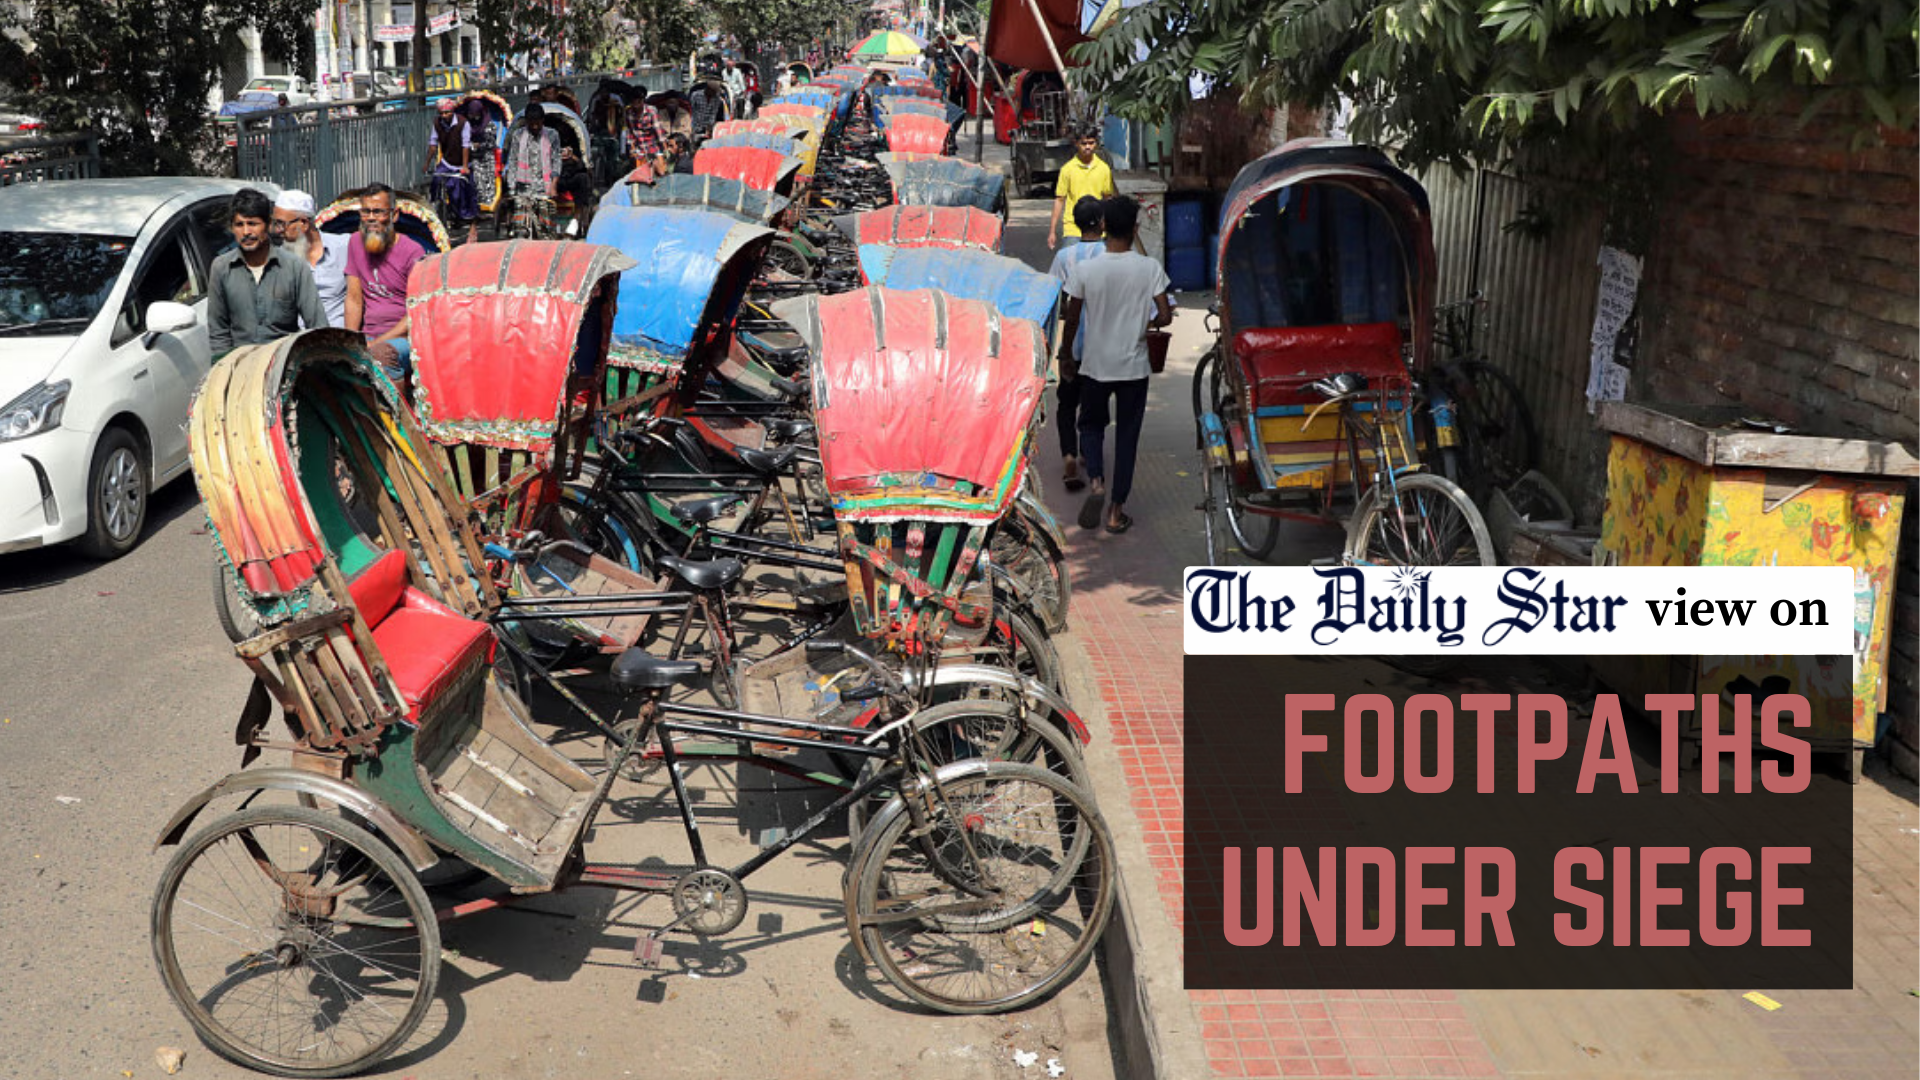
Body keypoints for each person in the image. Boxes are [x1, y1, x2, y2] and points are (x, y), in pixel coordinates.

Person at [1056, 196, 1172, 535]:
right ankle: (1115, 513)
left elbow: (1073, 317)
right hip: (1134, 367)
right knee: (1127, 437)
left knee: (1089, 426)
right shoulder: (1148, 268)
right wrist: (1145, 325)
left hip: (1094, 365)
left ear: (1103, 225)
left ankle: (1095, 481)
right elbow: (1163, 315)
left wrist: (1065, 356)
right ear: (1135, 228)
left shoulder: (1085, 270)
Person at [207, 188, 327, 357]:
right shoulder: (221, 268)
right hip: (240, 365)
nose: (246, 232)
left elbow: (317, 325)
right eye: (239, 225)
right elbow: (218, 332)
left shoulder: (294, 266)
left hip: (284, 365)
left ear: (268, 225)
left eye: (253, 224)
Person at [1046, 196, 1107, 492]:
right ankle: (1088, 453)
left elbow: (1054, 301)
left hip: (1074, 344)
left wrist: (1059, 348)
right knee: (1095, 407)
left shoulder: (1064, 257)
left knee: (1066, 404)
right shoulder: (1111, 253)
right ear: (1102, 222)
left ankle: (1069, 455)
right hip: (1103, 347)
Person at [344, 183, 428, 390]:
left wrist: (375, 344)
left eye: (378, 211)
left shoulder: (412, 252)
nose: (371, 217)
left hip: (404, 339)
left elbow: (415, 313)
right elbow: (354, 298)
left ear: (394, 215)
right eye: (366, 211)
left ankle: (395, 419)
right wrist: (349, 340)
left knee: (382, 354)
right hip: (368, 335)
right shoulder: (355, 242)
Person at [269, 189, 350, 328]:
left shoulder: (345, 246)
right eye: (276, 223)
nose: (278, 230)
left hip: (340, 336)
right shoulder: (279, 258)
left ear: (304, 223)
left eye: (282, 224)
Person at [1048, 125, 1116, 251]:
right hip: (1073, 230)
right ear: (1076, 143)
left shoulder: (1104, 169)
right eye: (1084, 143)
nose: (1088, 147)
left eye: (1091, 143)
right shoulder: (1067, 170)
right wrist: (1052, 231)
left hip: (1098, 230)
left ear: (1096, 143)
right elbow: (1059, 200)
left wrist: (1110, 228)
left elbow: (1108, 199)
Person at [423, 97, 478, 242]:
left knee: (458, 191)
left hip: (461, 163)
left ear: (452, 111)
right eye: (441, 113)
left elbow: (465, 146)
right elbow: (433, 145)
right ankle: (436, 209)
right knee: (436, 181)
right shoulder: (437, 123)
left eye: (447, 113)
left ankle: (465, 219)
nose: (444, 116)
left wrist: (465, 167)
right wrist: (427, 164)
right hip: (447, 161)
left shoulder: (462, 123)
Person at [623, 91, 665, 176]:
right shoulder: (629, 112)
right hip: (639, 149)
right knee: (642, 176)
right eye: (634, 102)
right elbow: (630, 132)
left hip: (653, 147)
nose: (636, 105)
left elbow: (659, 131)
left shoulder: (651, 111)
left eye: (638, 102)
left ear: (642, 101)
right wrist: (632, 148)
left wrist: (664, 148)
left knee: (661, 173)